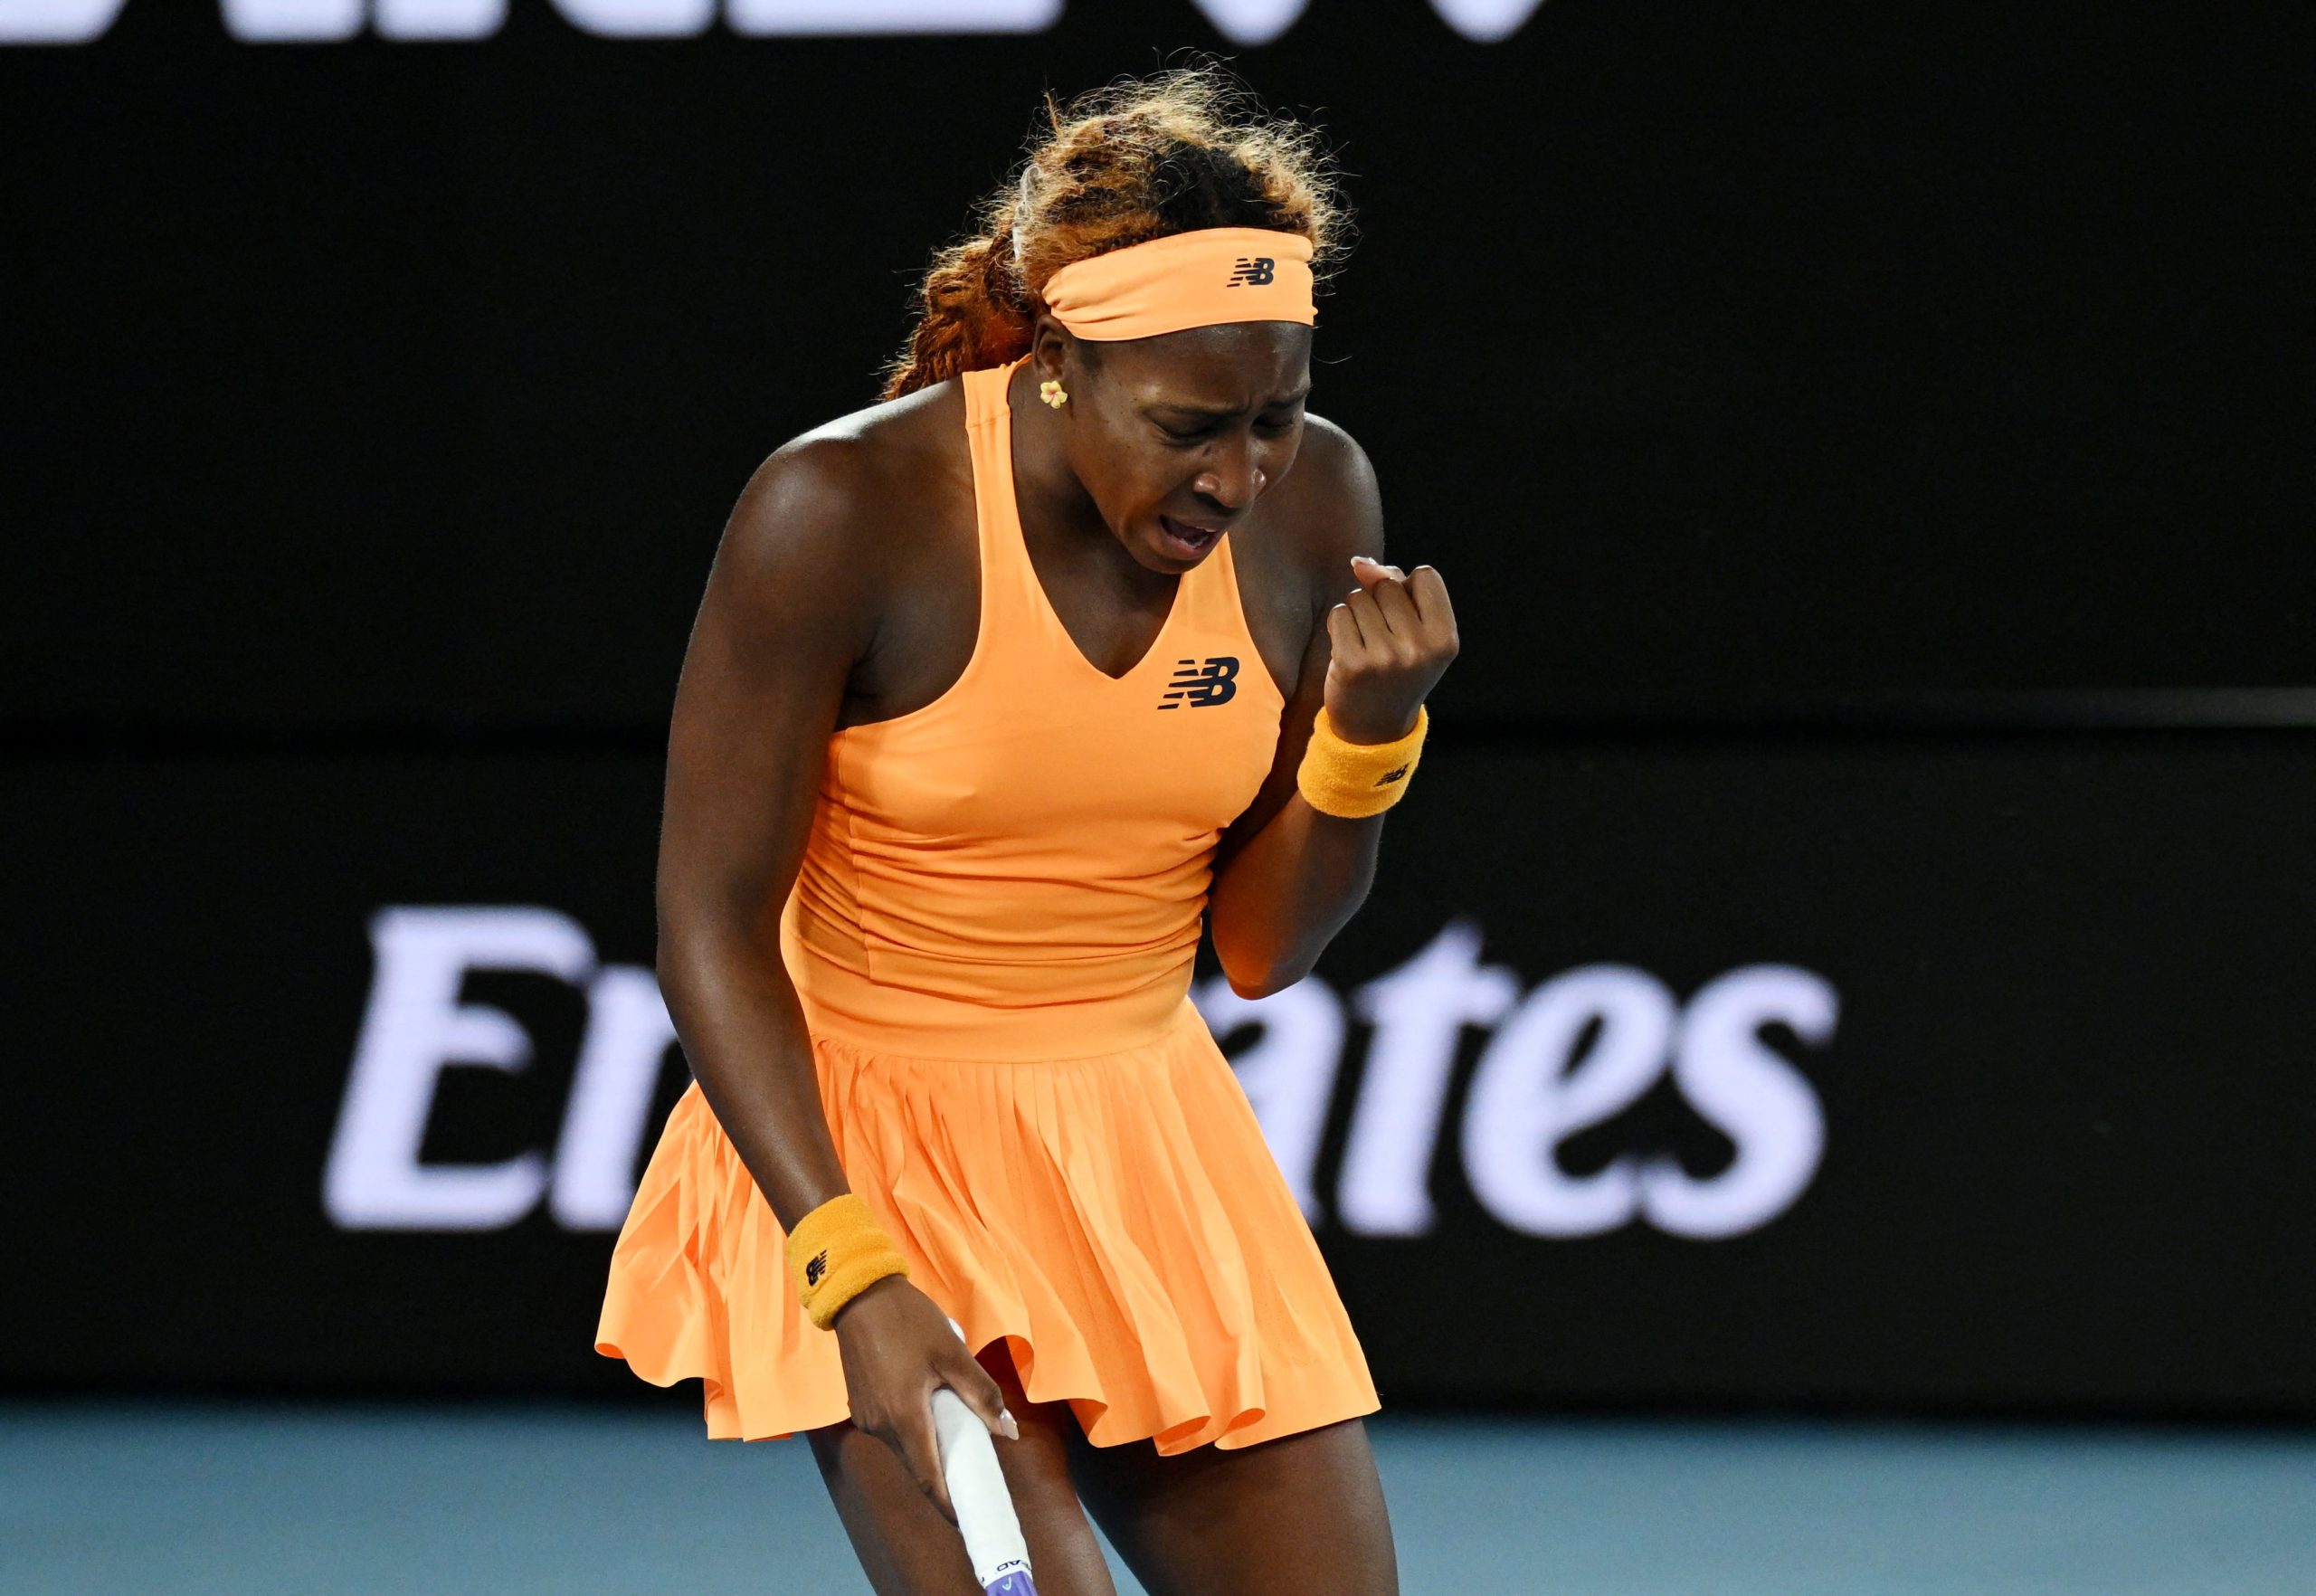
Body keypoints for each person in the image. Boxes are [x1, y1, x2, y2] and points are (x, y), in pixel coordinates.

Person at [596, 65, 1458, 1596]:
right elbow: (709, 928)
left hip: (1152, 1142)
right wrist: (850, 1271)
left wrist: (1367, 739)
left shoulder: (1320, 498)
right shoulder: (839, 508)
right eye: (1190, 426)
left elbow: (1261, 951)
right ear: (1061, 362)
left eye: (1275, 417)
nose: (1236, 478)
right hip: (862, 1155)